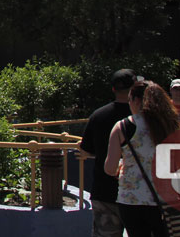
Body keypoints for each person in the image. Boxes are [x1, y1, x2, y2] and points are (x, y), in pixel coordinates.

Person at [104, 80, 180, 237]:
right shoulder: (171, 125)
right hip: (165, 199)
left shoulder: (122, 127)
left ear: (137, 100)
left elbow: (110, 168)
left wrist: (121, 165)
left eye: (130, 100)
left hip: (132, 199)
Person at [79, 68, 135, 237]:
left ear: (113, 89)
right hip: (137, 193)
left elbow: (86, 149)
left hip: (104, 191)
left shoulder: (98, 115)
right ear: (134, 89)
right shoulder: (143, 119)